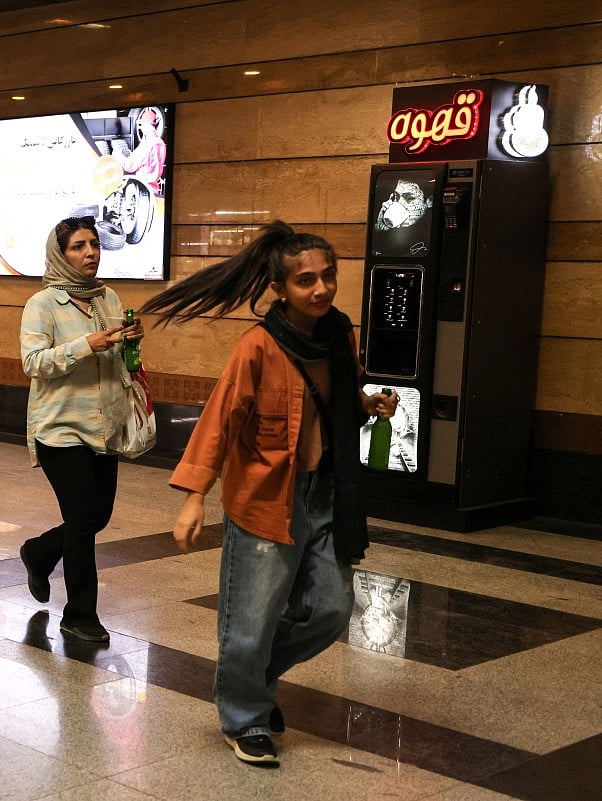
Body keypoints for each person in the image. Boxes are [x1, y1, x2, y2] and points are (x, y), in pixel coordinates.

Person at [142, 220, 396, 765]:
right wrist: (194, 495)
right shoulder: (258, 346)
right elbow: (220, 419)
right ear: (280, 289)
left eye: (328, 276)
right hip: (265, 497)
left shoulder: (338, 334)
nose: (322, 289)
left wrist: (366, 403)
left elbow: (338, 395)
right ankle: (245, 717)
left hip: (326, 494)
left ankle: (251, 677)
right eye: (306, 281)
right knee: (249, 620)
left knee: (332, 608)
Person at [17, 215, 145, 644]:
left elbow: (116, 358)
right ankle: (79, 614)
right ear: (60, 254)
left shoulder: (108, 297)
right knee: (84, 518)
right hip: (60, 429)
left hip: (104, 426)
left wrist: (129, 340)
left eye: (94, 244)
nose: (90, 253)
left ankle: (39, 553)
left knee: (96, 517)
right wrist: (84, 345)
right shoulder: (42, 304)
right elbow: (33, 363)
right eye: (78, 246)